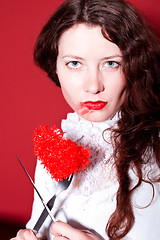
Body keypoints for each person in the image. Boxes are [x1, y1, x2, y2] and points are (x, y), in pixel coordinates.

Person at [11, 0, 160, 239]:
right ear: (56, 67)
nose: (93, 86)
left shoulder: (155, 147)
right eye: (75, 63)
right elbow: (38, 225)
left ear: (134, 65)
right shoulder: (57, 145)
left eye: (111, 63)